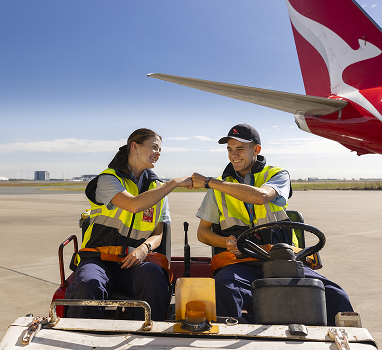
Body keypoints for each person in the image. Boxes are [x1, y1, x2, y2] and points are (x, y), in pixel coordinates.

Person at [191, 123, 353, 326]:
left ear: (256, 149)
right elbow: (202, 233)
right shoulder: (217, 189)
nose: (234, 155)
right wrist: (226, 241)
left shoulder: (276, 175)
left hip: (284, 260)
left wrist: (209, 181)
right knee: (224, 287)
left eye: (240, 149)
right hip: (241, 263)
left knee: (335, 295)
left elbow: (261, 197)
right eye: (230, 150)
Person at [66, 128, 192, 320]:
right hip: (99, 259)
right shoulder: (108, 179)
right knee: (88, 284)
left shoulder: (157, 188)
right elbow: (133, 205)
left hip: (134, 262)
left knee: (154, 278)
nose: (158, 153)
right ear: (134, 146)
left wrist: (144, 248)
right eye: (154, 147)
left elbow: (159, 232)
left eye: (160, 149)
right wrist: (173, 183)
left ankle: (150, 337)